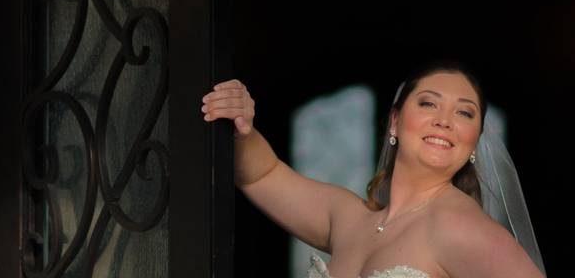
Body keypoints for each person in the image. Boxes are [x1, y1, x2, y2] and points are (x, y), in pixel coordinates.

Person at [200, 60, 546, 278]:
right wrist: (241, 122)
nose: (444, 121)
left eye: (464, 113)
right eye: (428, 103)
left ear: (474, 140)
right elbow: (262, 174)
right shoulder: (349, 219)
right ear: (395, 121)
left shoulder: (464, 229)